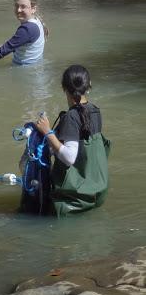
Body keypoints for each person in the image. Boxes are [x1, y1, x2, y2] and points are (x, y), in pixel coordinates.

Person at [33, 64, 110, 216]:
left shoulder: (71, 117)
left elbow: (70, 157)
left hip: (71, 200)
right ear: (89, 86)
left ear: (64, 88)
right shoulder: (95, 111)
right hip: (96, 192)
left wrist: (48, 132)